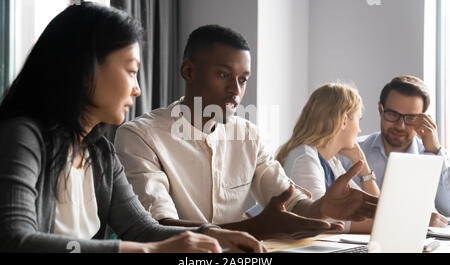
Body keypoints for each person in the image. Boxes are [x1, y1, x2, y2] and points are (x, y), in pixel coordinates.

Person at [0, 3, 265, 253]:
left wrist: (211, 234)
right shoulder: (23, 136)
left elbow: (140, 228)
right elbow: (15, 240)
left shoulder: (100, 151)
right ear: (84, 68)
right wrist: (148, 250)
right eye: (130, 71)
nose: (137, 89)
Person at [114, 24, 378, 240]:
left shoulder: (249, 136)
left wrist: (322, 208)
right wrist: (254, 229)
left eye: (243, 80)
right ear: (189, 71)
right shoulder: (140, 136)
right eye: (223, 75)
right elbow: (158, 228)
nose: (236, 91)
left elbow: (294, 201)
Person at [340, 75, 449, 227]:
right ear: (380, 109)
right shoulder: (350, 151)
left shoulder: (432, 155)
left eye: (410, 118)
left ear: (423, 118)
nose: (400, 126)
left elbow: (448, 207)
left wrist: (436, 150)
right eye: (392, 114)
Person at [270, 83, 379, 234]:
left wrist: (364, 169)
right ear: (344, 121)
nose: (360, 130)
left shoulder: (331, 161)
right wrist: (384, 223)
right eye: (358, 120)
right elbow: (322, 219)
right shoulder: (303, 157)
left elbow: (371, 208)